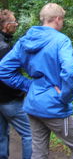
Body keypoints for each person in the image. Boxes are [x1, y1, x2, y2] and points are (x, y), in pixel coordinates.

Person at [0, 3, 73, 158]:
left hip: (33, 104)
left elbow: (3, 69)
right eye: (63, 19)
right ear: (57, 19)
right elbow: (69, 70)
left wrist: (30, 85)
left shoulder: (25, 41)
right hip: (54, 104)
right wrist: (65, 97)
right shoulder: (61, 41)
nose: (62, 22)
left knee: (38, 152)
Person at [0, 10, 32, 159]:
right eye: (14, 22)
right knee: (30, 134)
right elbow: (7, 76)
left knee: (1, 135)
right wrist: (21, 92)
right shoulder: (4, 48)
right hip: (9, 100)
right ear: (6, 26)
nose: (17, 24)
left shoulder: (5, 43)